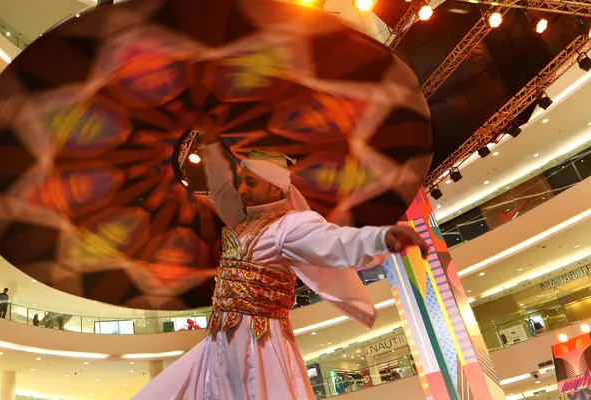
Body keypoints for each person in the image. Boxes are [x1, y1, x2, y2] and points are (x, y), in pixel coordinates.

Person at [132, 122, 427, 399]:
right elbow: (221, 188)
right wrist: (209, 146)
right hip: (220, 341)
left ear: (275, 189)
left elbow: (334, 243)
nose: (242, 189)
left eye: (249, 182)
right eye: (242, 181)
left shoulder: (291, 226)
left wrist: (380, 238)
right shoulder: (243, 219)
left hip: (259, 344)